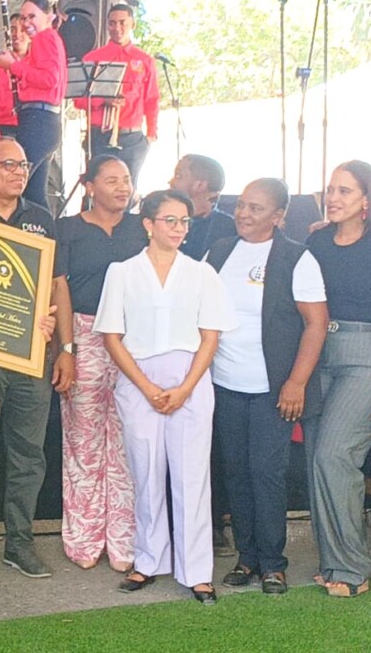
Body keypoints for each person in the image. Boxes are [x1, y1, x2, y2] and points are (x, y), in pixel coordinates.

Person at [94, 189, 236, 605]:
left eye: (184, 221)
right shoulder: (121, 272)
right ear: (148, 224)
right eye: (170, 220)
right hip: (138, 381)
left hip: (189, 378)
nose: (178, 229)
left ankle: (197, 572)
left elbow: (211, 336)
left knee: (192, 476)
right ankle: (148, 560)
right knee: (146, 472)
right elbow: (111, 336)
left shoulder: (201, 273)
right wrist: (147, 387)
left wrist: (186, 387)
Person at [0, 136, 74, 580]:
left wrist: (66, 347)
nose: (19, 172)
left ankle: (20, 543)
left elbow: (57, 284)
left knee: (28, 452)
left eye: (24, 164)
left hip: (33, 357)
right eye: (8, 164)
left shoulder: (41, 218)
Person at [205, 178, 328, 595]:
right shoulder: (220, 251)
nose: (243, 214)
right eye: (241, 205)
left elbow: (316, 324)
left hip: (273, 389)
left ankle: (274, 563)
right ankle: (247, 558)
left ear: (278, 217)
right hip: (224, 383)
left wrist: (296, 382)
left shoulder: (297, 258)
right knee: (235, 472)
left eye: (256, 208)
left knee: (267, 473)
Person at [305, 160, 371, 597]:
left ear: (367, 200)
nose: (333, 197)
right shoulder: (316, 241)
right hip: (319, 352)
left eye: (345, 191)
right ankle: (332, 561)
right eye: (331, 189)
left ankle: (352, 568)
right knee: (317, 459)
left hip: (367, 355)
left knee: (335, 455)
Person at [55, 155, 147, 572]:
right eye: (111, 180)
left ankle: (127, 539)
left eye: (126, 180)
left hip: (136, 337)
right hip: (86, 333)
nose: (122, 187)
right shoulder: (68, 230)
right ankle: (84, 536)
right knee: (84, 441)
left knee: (129, 440)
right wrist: (68, 349)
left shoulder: (143, 227)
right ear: (89, 186)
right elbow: (60, 289)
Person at [169, 152, 236, 553]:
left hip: (211, 346)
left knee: (211, 444)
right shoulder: (160, 217)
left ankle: (213, 524)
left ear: (198, 186)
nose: (171, 177)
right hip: (163, 341)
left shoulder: (228, 231)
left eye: (179, 174)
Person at [0, 0, 66, 208]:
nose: (26, 23)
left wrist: (14, 66)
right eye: (22, 18)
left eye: (32, 17)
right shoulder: (50, 38)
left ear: (48, 17)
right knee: (34, 195)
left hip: (38, 121)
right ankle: (45, 238)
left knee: (14, 186)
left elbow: (50, 79)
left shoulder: (44, 38)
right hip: (45, 121)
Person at [75, 4, 158, 185]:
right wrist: (103, 100)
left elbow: (151, 99)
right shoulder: (92, 58)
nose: (117, 28)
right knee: (98, 189)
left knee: (127, 191)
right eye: (112, 23)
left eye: (122, 23)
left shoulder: (145, 60)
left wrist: (151, 133)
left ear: (132, 24)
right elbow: (78, 100)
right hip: (100, 134)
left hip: (132, 138)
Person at [170, 154, 236, 260]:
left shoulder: (228, 229)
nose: (171, 182)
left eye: (178, 176)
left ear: (200, 185)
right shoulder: (161, 218)